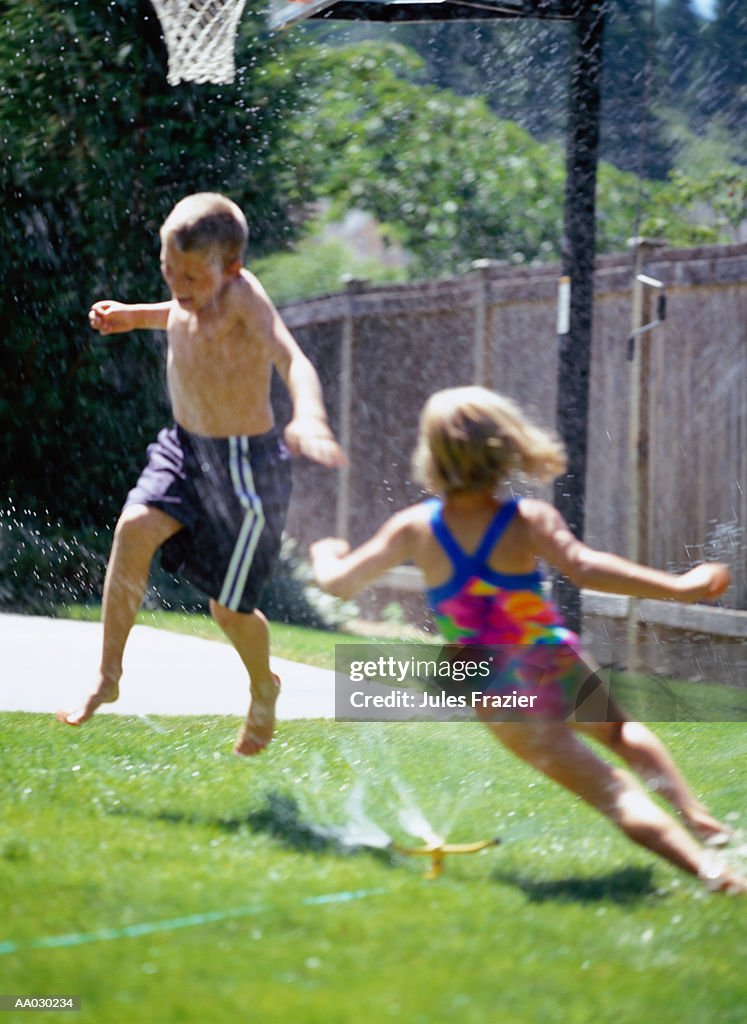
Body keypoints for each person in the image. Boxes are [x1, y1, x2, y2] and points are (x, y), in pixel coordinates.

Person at [310, 385, 745, 894]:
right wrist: (679, 587)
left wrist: (325, 551)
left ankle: (714, 877)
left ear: (432, 454)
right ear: (506, 446)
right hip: (550, 660)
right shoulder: (526, 520)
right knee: (622, 736)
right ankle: (703, 823)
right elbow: (584, 567)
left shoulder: (414, 529)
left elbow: (339, 583)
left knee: (610, 790)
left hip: (494, 686)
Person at [57, 192, 345, 756]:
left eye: (190, 275)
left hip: (246, 469)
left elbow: (292, 358)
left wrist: (309, 414)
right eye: (169, 271)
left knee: (228, 610)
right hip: (185, 450)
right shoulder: (191, 295)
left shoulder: (242, 297)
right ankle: (108, 675)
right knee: (133, 528)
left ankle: (264, 685)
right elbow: (177, 313)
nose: (179, 287)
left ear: (230, 268)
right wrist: (132, 317)